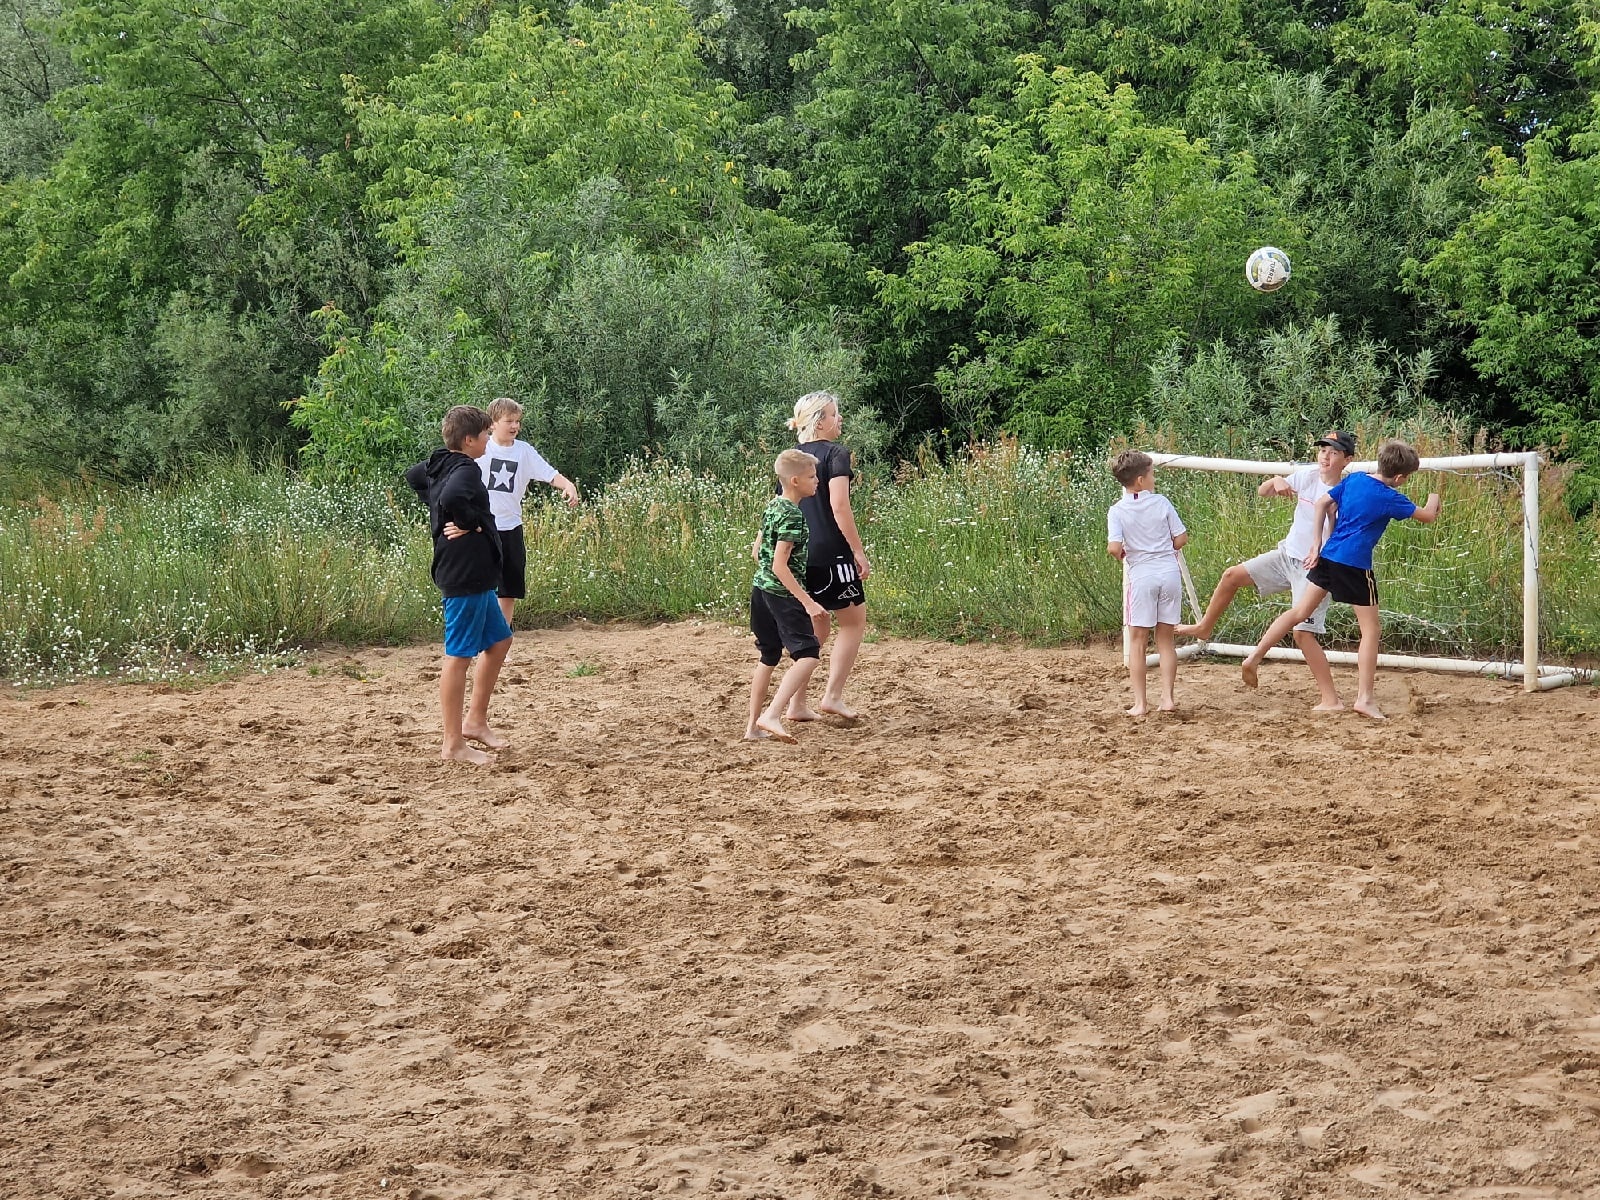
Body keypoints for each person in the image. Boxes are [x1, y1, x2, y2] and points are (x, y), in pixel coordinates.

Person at [1241, 438, 1441, 720]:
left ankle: (1255, 656)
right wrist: (1435, 494)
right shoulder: (1390, 497)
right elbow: (1429, 516)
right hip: (1356, 565)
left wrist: (1315, 545)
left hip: (1328, 556)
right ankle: (1365, 699)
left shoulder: (1355, 479)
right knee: (1370, 630)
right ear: (1399, 477)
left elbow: (1323, 503)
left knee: (1298, 613)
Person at [1176, 430, 1356, 711]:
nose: (1325, 456)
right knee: (1231, 576)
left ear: (1347, 460)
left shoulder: (1346, 492)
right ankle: (1204, 627)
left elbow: (1339, 536)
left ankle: (1331, 699)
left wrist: (1318, 552)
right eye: (1323, 450)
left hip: (1316, 567)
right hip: (1287, 556)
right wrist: (1275, 480)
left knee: (1302, 633)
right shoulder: (1307, 475)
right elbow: (1262, 491)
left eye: (1333, 452)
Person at [405, 405, 514, 765]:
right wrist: (468, 523)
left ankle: (475, 721)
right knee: (458, 657)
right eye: (484, 435)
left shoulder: (440, 462)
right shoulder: (466, 469)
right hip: (464, 574)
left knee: (500, 640)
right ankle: (453, 743)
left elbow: (413, 477)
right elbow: (453, 499)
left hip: (476, 575)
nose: (487, 440)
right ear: (469, 440)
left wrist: (438, 509)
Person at [785, 390, 871, 720]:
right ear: (820, 421)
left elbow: (783, 508)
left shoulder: (791, 458)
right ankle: (832, 696)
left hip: (799, 554)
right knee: (852, 622)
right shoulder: (836, 453)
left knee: (814, 627)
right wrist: (857, 551)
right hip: (832, 554)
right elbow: (839, 505)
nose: (840, 420)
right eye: (835, 414)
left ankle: (796, 704)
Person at [745, 449, 826, 744]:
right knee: (808, 655)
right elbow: (780, 564)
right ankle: (772, 714)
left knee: (768, 657)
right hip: (781, 595)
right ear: (794, 480)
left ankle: (752, 728)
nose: (817, 480)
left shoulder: (774, 506)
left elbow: (758, 552)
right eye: (811, 476)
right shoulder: (793, 515)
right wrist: (807, 601)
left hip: (761, 590)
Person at [476, 397, 579, 625]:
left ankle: (502, 641)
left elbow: (549, 473)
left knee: (508, 589)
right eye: (509, 421)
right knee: (481, 588)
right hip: (482, 529)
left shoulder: (524, 451)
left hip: (511, 527)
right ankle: (481, 640)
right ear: (493, 423)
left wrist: (568, 486)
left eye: (517, 421)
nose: (515, 426)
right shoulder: (482, 449)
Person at [1107, 450, 1189, 716]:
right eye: (1152, 473)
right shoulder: (1161, 502)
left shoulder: (1118, 510)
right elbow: (1181, 538)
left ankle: (1141, 703)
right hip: (1168, 572)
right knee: (1166, 640)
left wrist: (1122, 553)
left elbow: (1114, 546)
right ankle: (1167, 698)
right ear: (1141, 479)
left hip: (1142, 575)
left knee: (1138, 641)